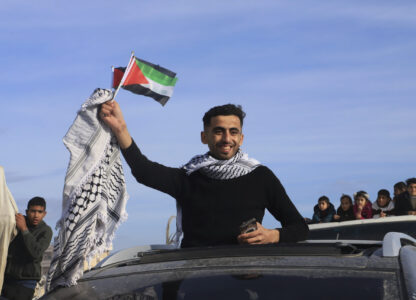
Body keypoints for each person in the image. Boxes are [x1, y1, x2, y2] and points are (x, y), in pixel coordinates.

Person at [100, 101, 309, 247]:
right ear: (204, 136)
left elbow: (299, 228)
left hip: (245, 279)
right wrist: (121, 129)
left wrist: (272, 235)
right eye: (219, 131)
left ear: (241, 138)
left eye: (233, 132)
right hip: (194, 281)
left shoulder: (261, 176)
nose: (227, 138)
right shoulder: (189, 178)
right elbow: (144, 171)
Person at [1, 197, 52, 300]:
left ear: (44, 214)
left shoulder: (46, 231)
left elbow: (36, 253)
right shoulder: (16, 224)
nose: (36, 215)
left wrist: (24, 229)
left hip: (26, 283)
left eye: (39, 212)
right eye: (33, 211)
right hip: (7, 280)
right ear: (27, 212)